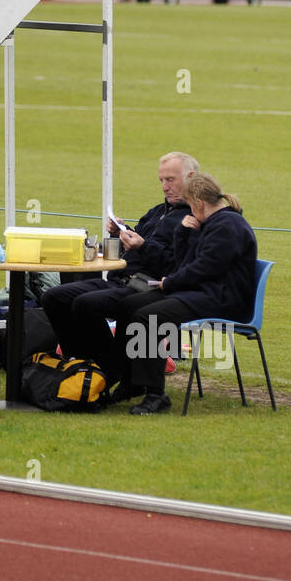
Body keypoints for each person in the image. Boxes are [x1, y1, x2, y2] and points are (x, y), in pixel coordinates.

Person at [102, 174, 258, 415]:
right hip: (201, 293)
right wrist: (183, 234)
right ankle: (131, 381)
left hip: (223, 301)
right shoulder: (210, 223)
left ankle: (155, 394)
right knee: (129, 304)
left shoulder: (228, 226)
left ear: (198, 202)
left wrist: (170, 283)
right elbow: (186, 264)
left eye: (190, 204)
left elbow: (205, 267)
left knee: (147, 316)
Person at [42, 151, 199, 370]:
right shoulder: (158, 211)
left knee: (86, 304)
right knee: (53, 297)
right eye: (161, 180)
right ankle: (80, 364)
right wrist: (121, 233)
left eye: (170, 180)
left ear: (191, 177)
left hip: (152, 287)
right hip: (122, 280)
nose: (164, 186)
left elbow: (176, 267)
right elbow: (143, 241)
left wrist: (143, 246)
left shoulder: (194, 219)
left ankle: (111, 368)